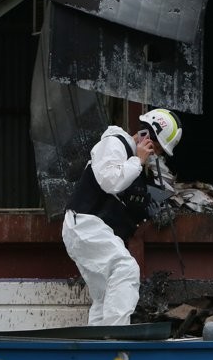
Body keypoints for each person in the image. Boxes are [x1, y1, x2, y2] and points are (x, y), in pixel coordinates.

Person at [62, 107, 183, 326]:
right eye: (155, 147)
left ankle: (98, 348)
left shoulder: (133, 161)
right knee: (126, 269)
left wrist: (149, 204)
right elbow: (111, 181)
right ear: (146, 134)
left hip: (92, 228)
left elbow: (126, 197)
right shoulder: (114, 144)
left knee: (105, 293)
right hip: (85, 223)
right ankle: (115, 339)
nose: (154, 154)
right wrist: (138, 161)